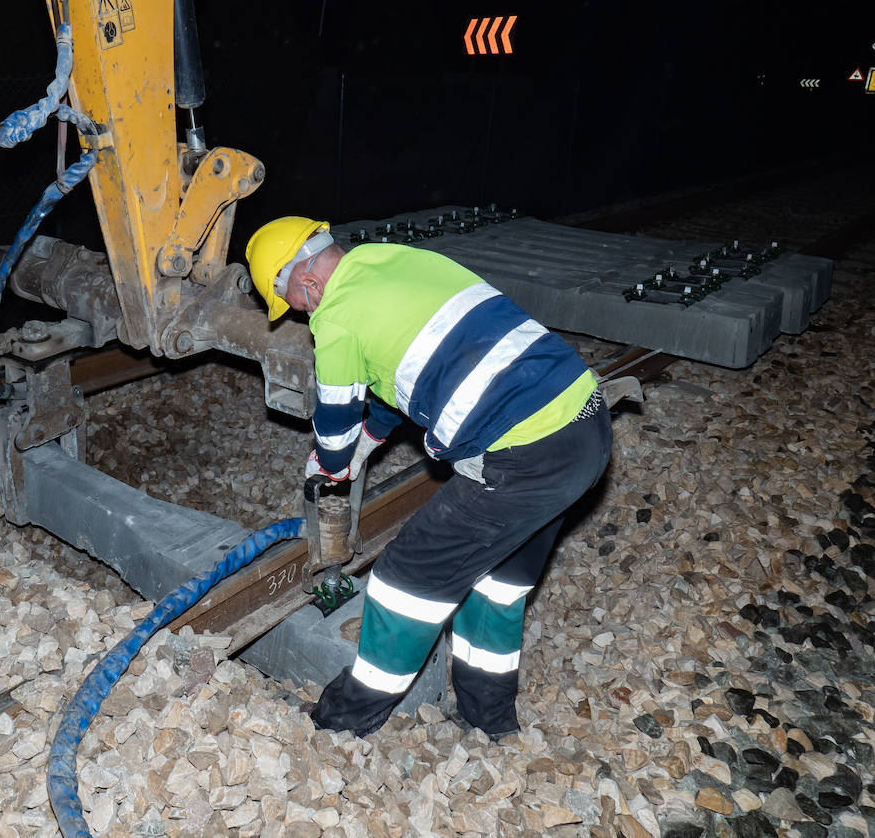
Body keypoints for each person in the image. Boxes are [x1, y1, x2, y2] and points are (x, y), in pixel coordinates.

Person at [245, 216, 612, 738]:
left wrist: (330, 464)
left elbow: (334, 420)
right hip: (584, 424)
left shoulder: (336, 316)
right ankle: (489, 722)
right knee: (496, 583)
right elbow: (406, 368)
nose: (299, 317)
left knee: (405, 580)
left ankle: (343, 723)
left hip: (525, 455)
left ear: (307, 282)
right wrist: (374, 436)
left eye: (294, 305)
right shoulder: (397, 261)